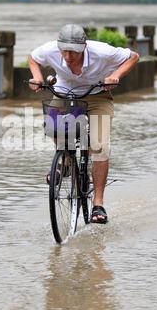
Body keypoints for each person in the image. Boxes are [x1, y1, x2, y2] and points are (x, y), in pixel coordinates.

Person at [28, 24, 139, 224]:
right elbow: (33, 58)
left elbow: (133, 57)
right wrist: (36, 77)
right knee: (54, 124)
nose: (68, 57)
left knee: (99, 146)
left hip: (97, 95)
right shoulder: (50, 49)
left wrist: (115, 76)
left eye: (74, 52)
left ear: (84, 47)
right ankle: (66, 160)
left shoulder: (102, 51)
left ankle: (98, 203)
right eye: (65, 52)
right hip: (64, 93)